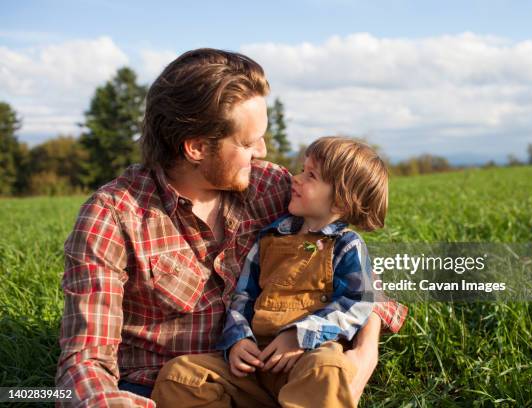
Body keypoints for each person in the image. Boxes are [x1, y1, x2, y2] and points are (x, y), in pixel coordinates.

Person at [55, 48, 407, 407]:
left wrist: (365, 353)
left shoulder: (271, 188)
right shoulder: (112, 217)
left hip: (280, 371)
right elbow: (85, 363)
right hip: (178, 387)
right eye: (247, 142)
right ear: (195, 147)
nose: (262, 151)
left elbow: (359, 274)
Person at [152, 137, 392, 407]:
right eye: (302, 169)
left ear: (340, 202)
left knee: (327, 370)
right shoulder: (269, 238)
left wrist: (300, 335)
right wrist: (238, 339)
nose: (296, 179)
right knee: (180, 376)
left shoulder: (346, 246)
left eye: (311, 175)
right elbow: (243, 296)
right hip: (256, 363)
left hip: (307, 358)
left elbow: (359, 301)